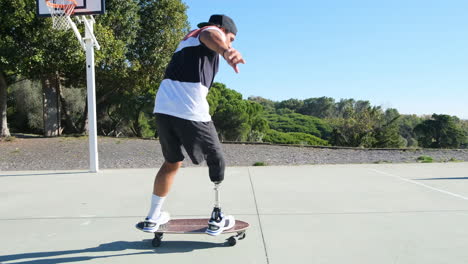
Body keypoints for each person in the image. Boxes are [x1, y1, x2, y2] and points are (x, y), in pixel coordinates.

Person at [136, 14, 245, 236]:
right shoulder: (207, 34)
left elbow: (209, 36)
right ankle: (217, 217)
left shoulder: (188, 39)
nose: (230, 43)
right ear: (222, 29)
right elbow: (210, 34)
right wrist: (226, 51)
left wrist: (223, 49)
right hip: (189, 108)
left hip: (164, 108)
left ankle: (153, 216)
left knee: (172, 162)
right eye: (231, 38)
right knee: (217, 160)